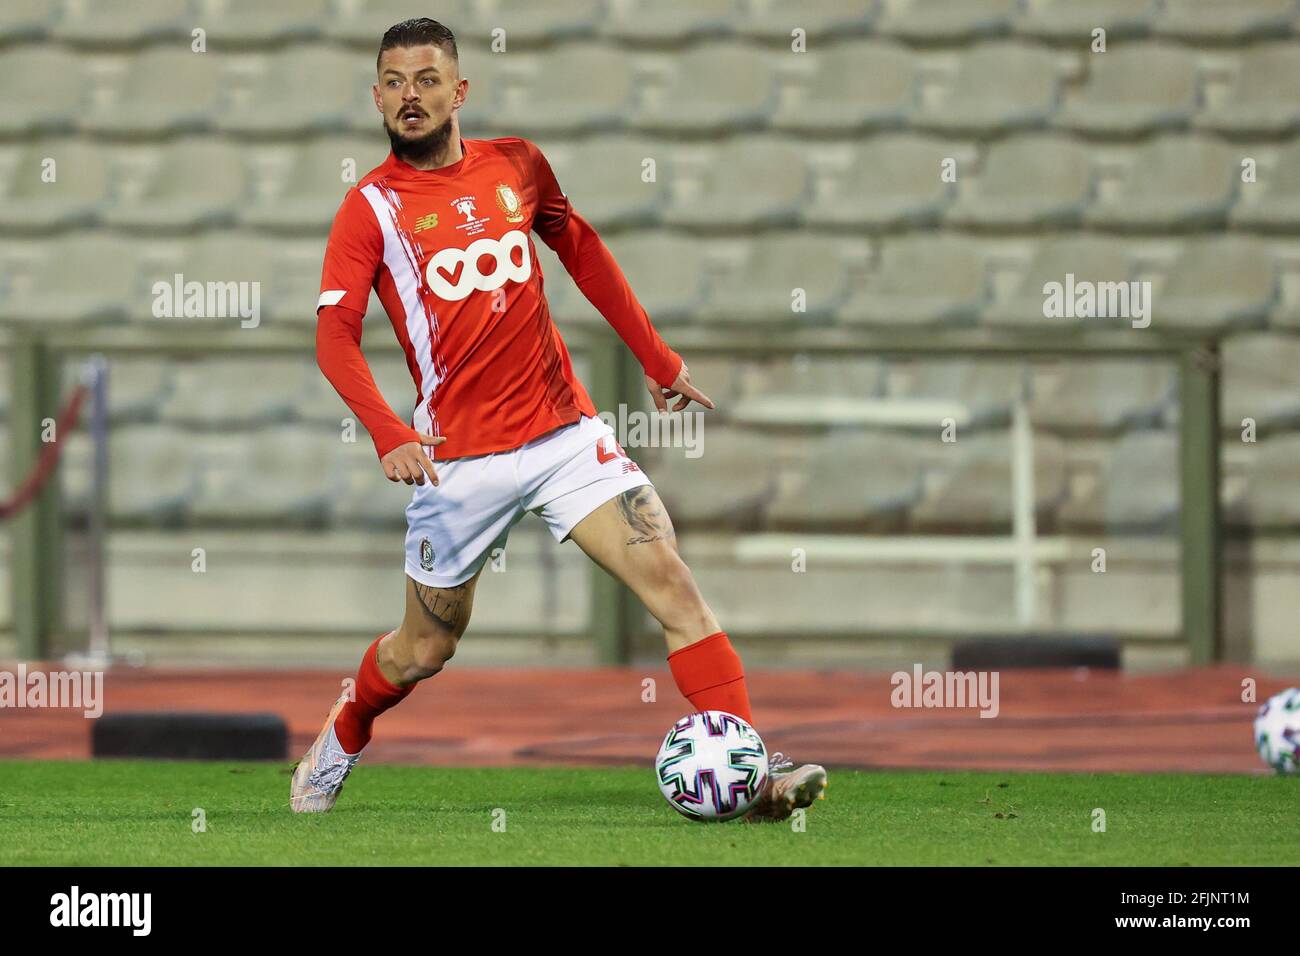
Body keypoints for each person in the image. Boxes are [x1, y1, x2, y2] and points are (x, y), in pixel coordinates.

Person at [295, 17, 826, 821]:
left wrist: (656, 357)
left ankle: (748, 774)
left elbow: (578, 247)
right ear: (377, 96)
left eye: (428, 79)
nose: (411, 96)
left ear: (459, 90)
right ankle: (346, 729)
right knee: (423, 651)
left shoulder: (517, 165)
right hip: (458, 461)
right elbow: (333, 337)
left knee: (676, 591)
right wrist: (389, 431)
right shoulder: (370, 208)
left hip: (564, 437)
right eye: (396, 82)